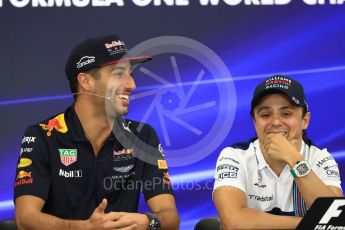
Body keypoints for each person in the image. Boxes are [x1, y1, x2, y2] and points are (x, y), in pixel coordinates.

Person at [14, 34, 180, 230]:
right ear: (85, 81)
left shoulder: (142, 136)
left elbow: (171, 218)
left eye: (131, 74)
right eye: (119, 74)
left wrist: (147, 221)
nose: (131, 85)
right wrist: (84, 228)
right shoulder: (43, 136)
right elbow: (25, 218)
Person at [213, 75, 343, 229]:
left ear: (305, 120)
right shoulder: (234, 156)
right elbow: (233, 222)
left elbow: (336, 221)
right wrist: (312, 224)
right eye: (265, 115)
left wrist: (294, 160)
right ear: (255, 122)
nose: (275, 122)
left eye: (286, 113)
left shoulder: (320, 158)